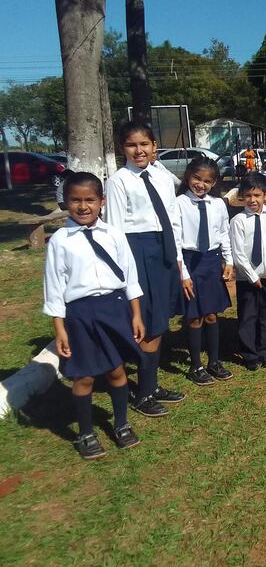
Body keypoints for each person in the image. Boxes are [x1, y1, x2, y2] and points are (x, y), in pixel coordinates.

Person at [44, 172, 143, 460]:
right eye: (75, 200)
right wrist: (59, 329)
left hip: (114, 309)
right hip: (80, 314)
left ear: (102, 201)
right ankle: (86, 432)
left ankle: (122, 423)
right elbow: (54, 288)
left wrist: (135, 314)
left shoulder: (114, 234)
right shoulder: (60, 241)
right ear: (66, 202)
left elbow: (131, 278)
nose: (83, 206)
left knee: (116, 370)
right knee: (84, 375)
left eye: (90, 200)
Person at [104, 121, 186, 417]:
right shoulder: (119, 181)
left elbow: (173, 217)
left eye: (144, 144)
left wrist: (176, 257)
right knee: (147, 321)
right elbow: (113, 229)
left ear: (154, 146)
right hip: (137, 251)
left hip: (163, 249)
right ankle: (143, 392)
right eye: (131, 145)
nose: (139, 150)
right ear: (122, 148)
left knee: (160, 319)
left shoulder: (161, 176)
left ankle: (151, 385)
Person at [176, 156, 234, 386]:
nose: (201, 184)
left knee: (211, 314)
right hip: (190, 261)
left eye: (207, 181)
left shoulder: (218, 204)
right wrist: (184, 275)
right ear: (188, 177)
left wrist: (228, 261)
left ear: (214, 183)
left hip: (211, 262)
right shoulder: (179, 203)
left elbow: (223, 234)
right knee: (194, 317)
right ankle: (195, 366)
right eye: (197, 179)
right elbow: (175, 240)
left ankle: (214, 361)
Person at [229, 174, 266, 370]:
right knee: (248, 316)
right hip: (247, 278)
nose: (253, 200)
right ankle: (250, 354)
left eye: (257, 195)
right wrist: (251, 276)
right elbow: (238, 252)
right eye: (248, 195)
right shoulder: (238, 221)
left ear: (265, 195)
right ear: (242, 196)